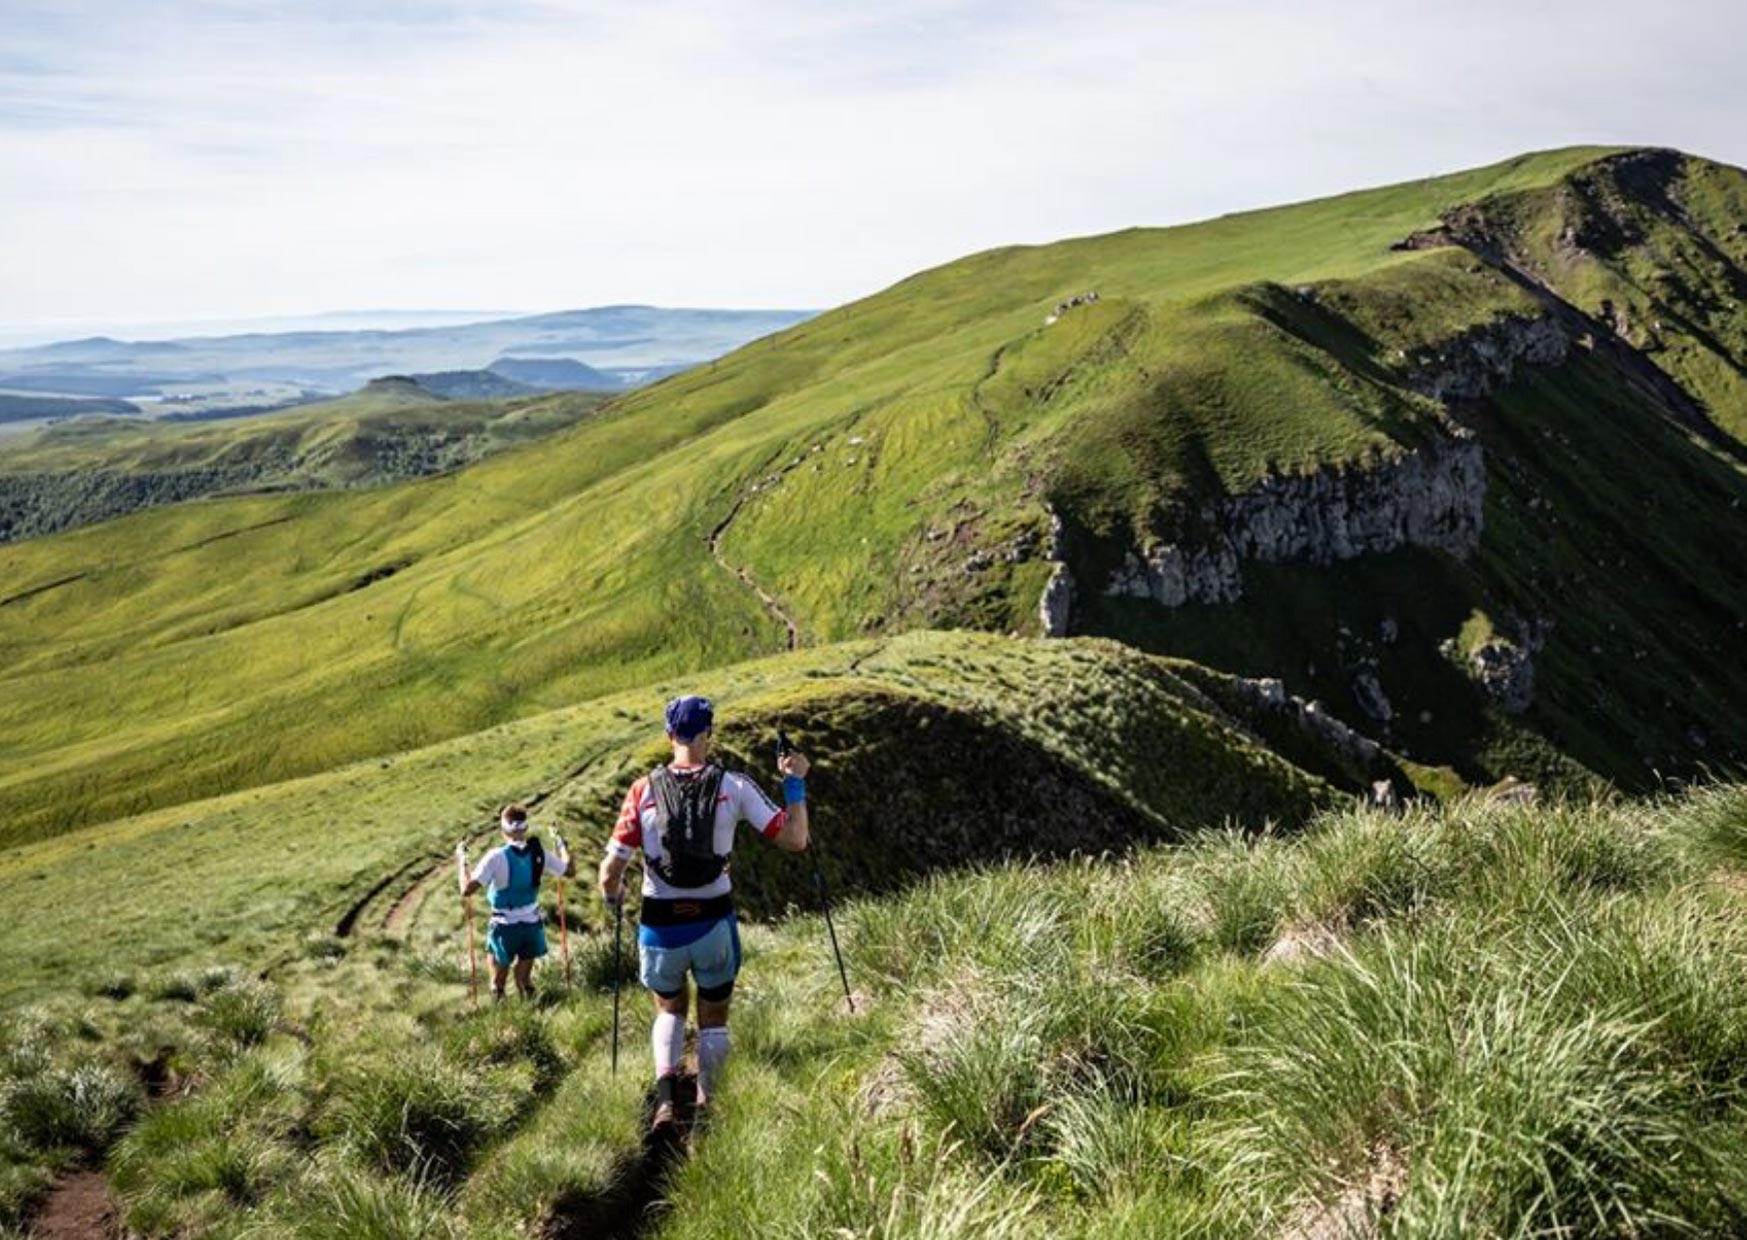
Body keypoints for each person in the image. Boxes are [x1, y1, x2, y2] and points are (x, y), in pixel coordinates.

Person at [598, 695, 810, 1128]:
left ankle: (664, 1099)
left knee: (669, 1009)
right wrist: (795, 783)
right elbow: (795, 839)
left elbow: (609, 872)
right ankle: (707, 1107)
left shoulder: (642, 791)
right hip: (713, 920)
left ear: (668, 735)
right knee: (714, 1016)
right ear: (709, 734)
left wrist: (613, 897)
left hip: (659, 926)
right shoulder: (735, 786)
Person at [461, 804, 571, 1001]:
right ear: (525, 828)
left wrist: (462, 861)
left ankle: (504, 1024)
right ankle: (537, 1014)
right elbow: (569, 870)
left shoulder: (496, 856)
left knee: (497, 986)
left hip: (504, 926)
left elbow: (467, 889)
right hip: (531, 925)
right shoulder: (539, 853)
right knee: (524, 982)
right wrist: (561, 844)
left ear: (503, 829)